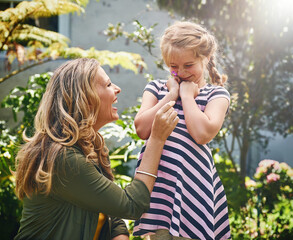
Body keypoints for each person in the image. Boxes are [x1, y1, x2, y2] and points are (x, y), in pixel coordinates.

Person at [13, 58, 179, 240]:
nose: (117, 89)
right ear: (86, 98)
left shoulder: (89, 146)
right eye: (108, 85)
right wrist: (156, 139)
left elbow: (108, 207)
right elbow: (131, 205)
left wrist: (120, 235)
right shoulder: (63, 158)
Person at [133, 21, 231, 240]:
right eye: (174, 66)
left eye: (189, 65)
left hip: (192, 192)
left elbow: (202, 133)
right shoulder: (157, 89)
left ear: (205, 58)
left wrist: (187, 96)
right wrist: (171, 95)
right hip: (158, 190)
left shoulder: (216, 95)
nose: (181, 72)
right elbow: (142, 128)